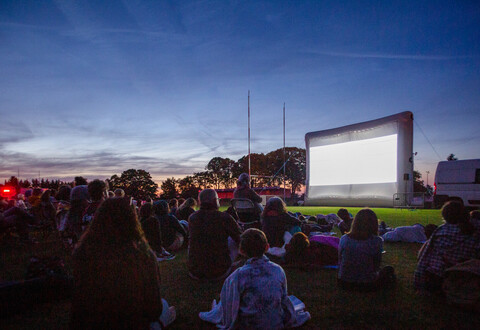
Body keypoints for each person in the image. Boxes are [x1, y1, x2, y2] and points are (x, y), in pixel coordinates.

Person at [70, 198, 176, 329]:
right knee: (165, 306)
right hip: (132, 324)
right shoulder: (142, 255)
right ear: (131, 220)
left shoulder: (82, 253)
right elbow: (154, 310)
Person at [199, 228, 310, 329]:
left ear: (241, 250)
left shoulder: (238, 275)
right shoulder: (278, 270)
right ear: (267, 247)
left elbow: (230, 304)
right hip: (275, 325)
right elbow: (284, 300)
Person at [414, 201, 480, 292]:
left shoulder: (441, 231)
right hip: (467, 278)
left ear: (446, 217)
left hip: (437, 280)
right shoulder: (476, 229)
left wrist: (418, 282)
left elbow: (424, 256)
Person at [188, 189, 241, 280]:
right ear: (214, 201)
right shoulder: (224, 217)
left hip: (194, 272)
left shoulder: (192, 217)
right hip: (219, 272)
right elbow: (240, 240)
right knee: (233, 240)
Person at [338, 208, 395, 291]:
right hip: (366, 284)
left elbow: (340, 260)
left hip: (344, 282)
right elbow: (376, 265)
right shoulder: (376, 241)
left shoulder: (344, 238)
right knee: (389, 269)